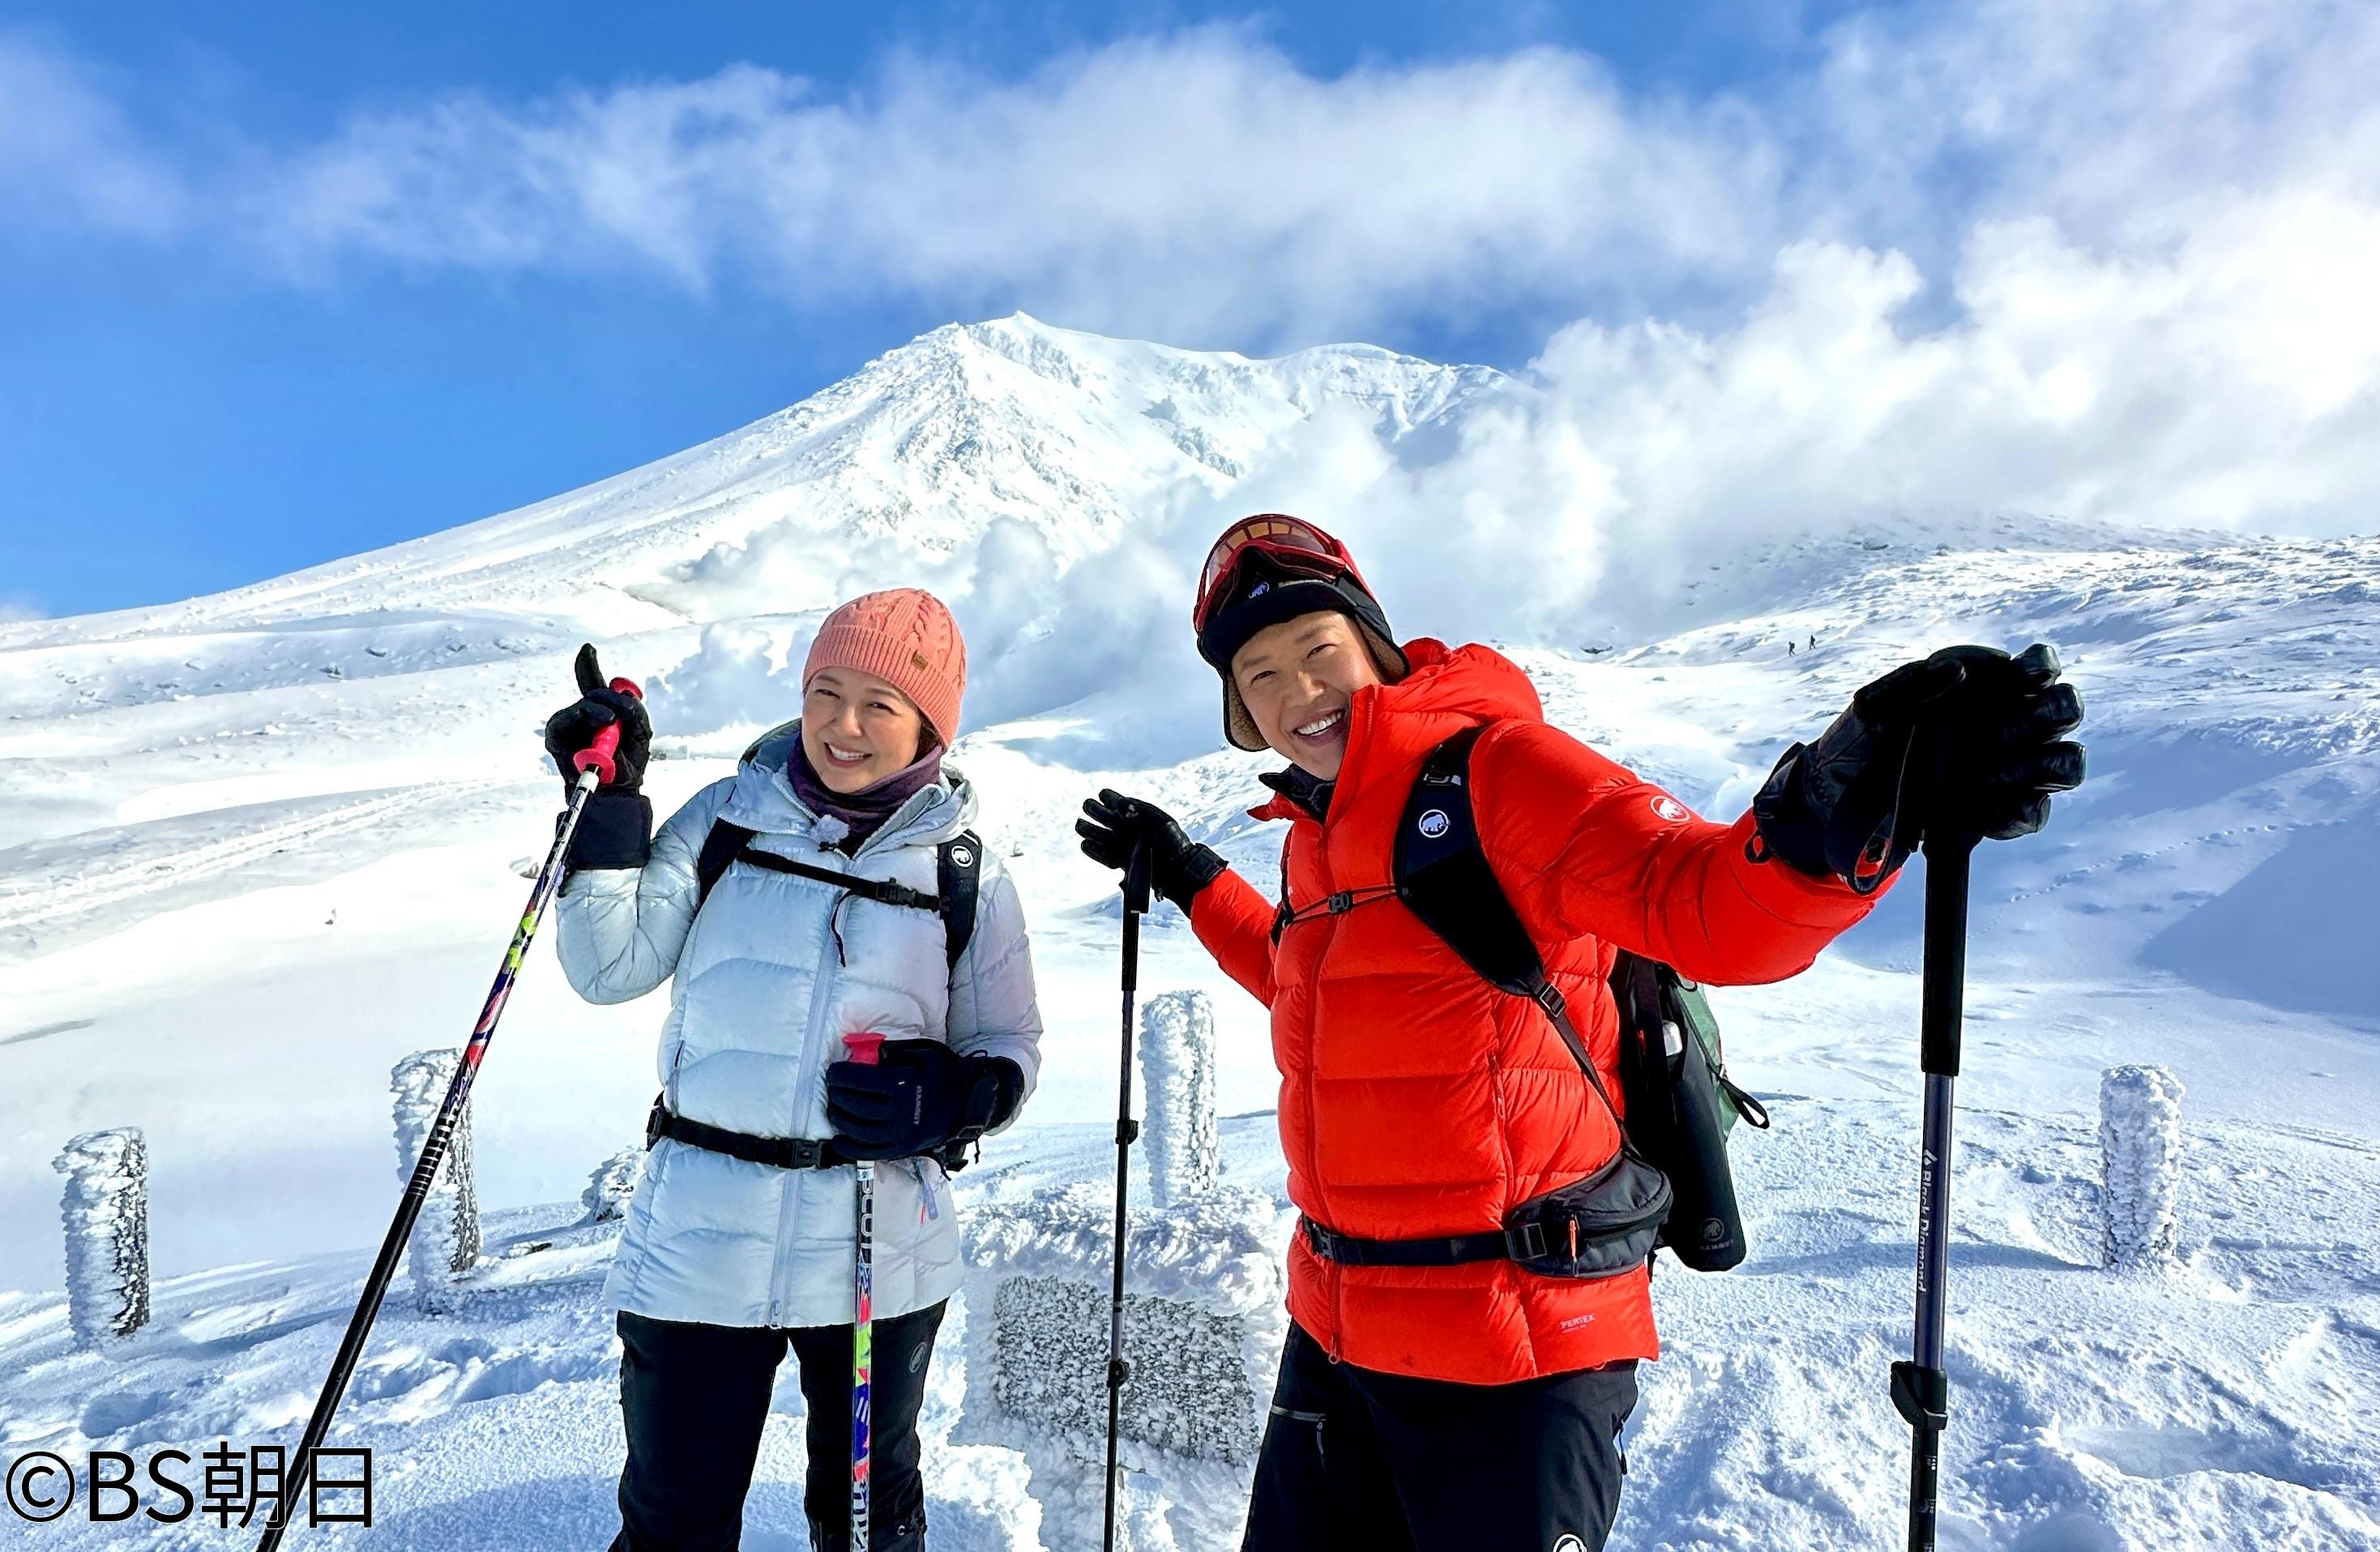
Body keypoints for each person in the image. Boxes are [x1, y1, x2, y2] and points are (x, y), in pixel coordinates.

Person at [1076, 514, 2083, 1552]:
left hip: (1517, 1343)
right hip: (1337, 1335)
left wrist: (1837, 806)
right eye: (1261, 677)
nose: (1299, 695)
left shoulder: (1498, 772)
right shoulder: (1315, 838)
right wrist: (1193, 877)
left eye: (1317, 651)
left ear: (1373, 645)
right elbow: (1316, 995)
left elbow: (1700, 898)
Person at [544, 588, 1045, 1552]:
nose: (842, 725)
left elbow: (1008, 1045)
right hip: (700, 1237)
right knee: (672, 1522)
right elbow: (608, 968)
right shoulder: (727, 820)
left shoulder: (963, 870)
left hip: (876, 1243)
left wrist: (952, 1099)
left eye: (879, 704)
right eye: (825, 691)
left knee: (868, 1526)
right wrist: (607, 816)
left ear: (931, 725)